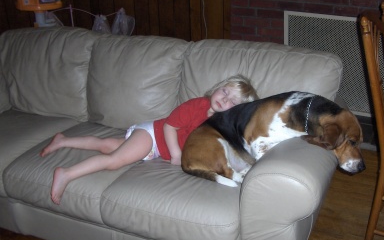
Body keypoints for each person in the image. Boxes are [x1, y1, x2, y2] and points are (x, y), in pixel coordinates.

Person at [40, 75, 259, 205]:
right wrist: (176, 154)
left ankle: (63, 140)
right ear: (217, 88)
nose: (224, 99)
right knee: (114, 160)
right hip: (152, 135)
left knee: (105, 146)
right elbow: (169, 126)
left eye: (233, 101)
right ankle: (66, 174)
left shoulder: (221, 125)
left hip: (154, 151)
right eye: (224, 91)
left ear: (238, 111)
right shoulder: (197, 106)